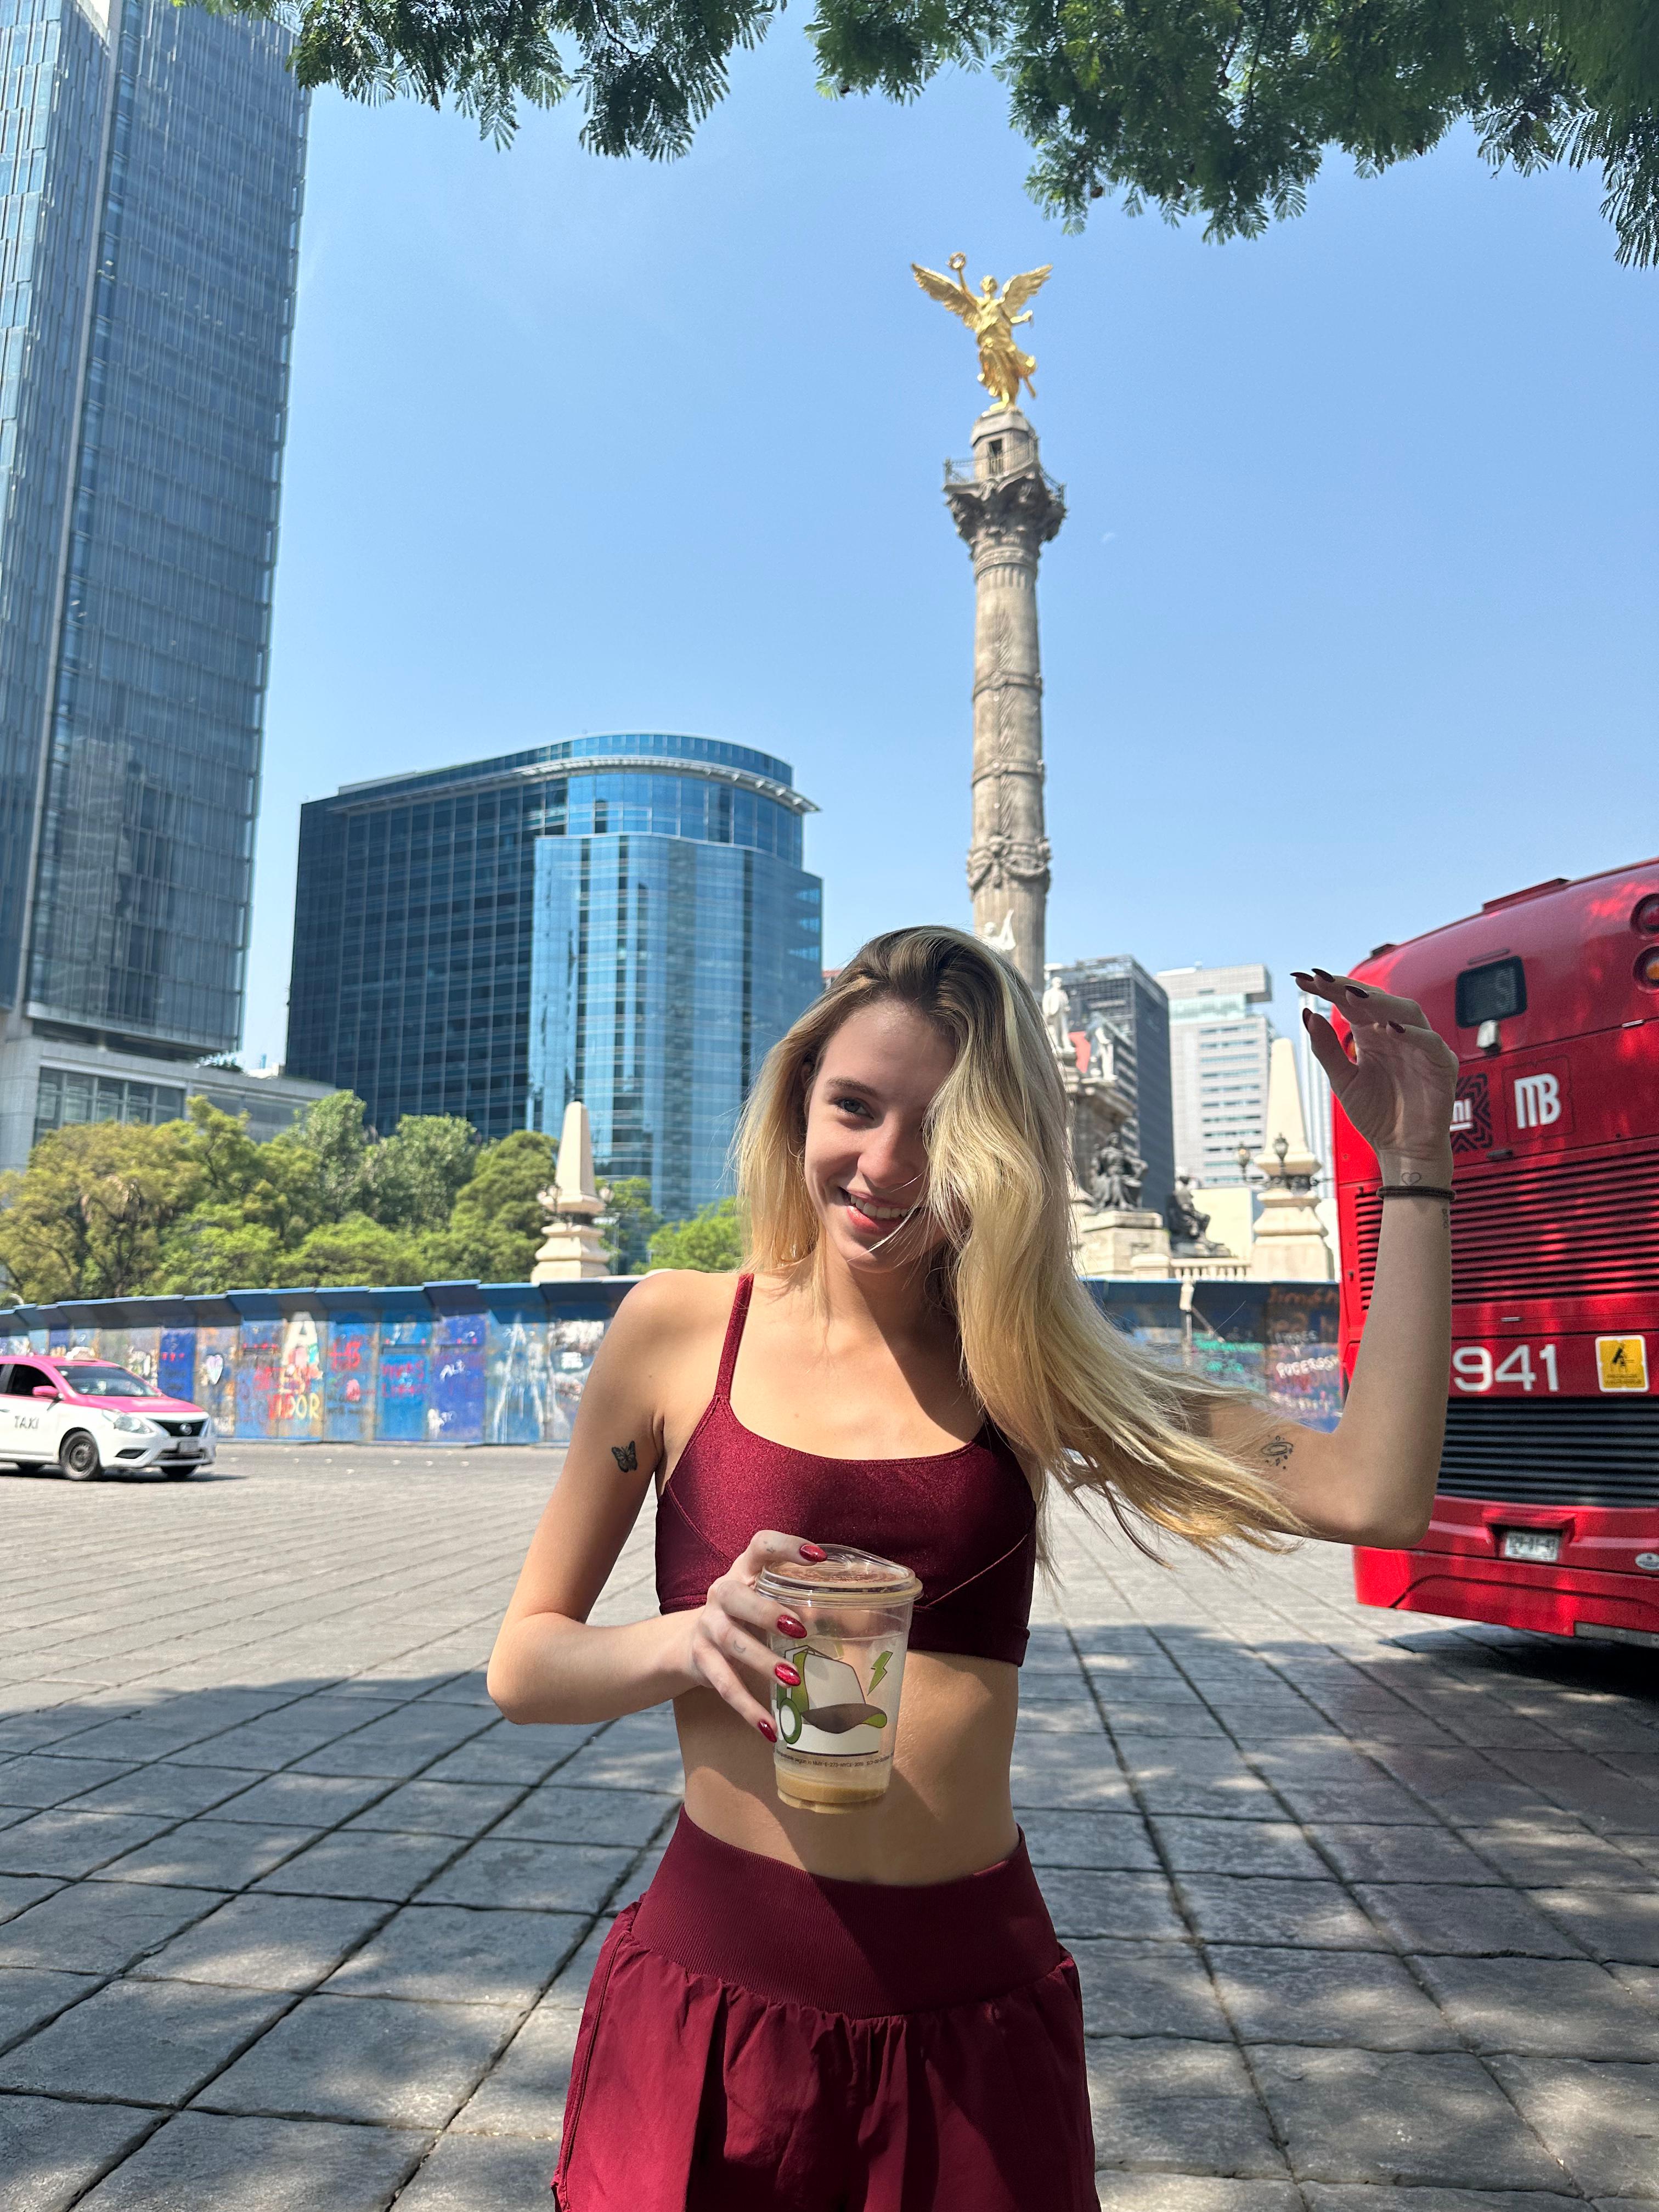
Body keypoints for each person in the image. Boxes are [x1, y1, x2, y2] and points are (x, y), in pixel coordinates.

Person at [488, 927, 1457, 2212]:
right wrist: (687, 1639)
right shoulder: (676, 1330)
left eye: (940, 1128)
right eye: (854, 1106)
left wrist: (1417, 1166)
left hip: (967, 2012)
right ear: (799, 1102)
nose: (884, 1164)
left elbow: (1374, 1493)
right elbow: (525, 1663)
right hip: (716, 1991)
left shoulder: (1034, 1366)